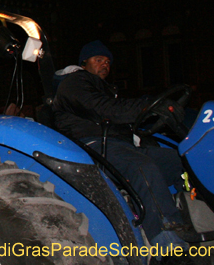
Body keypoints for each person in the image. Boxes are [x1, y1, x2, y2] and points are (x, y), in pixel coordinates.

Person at [53, 40, 192, 260]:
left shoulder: (108, 90)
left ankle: (194, 214)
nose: (105, 64)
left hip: (122, 145)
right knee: (142, 167)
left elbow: (121, 109)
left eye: (108, 61)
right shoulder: (74, 83)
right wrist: (145, 107)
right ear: (84, 62)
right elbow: (103, 109)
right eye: (98, 60)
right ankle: (168, 245)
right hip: (93, 146)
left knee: (182, 160)